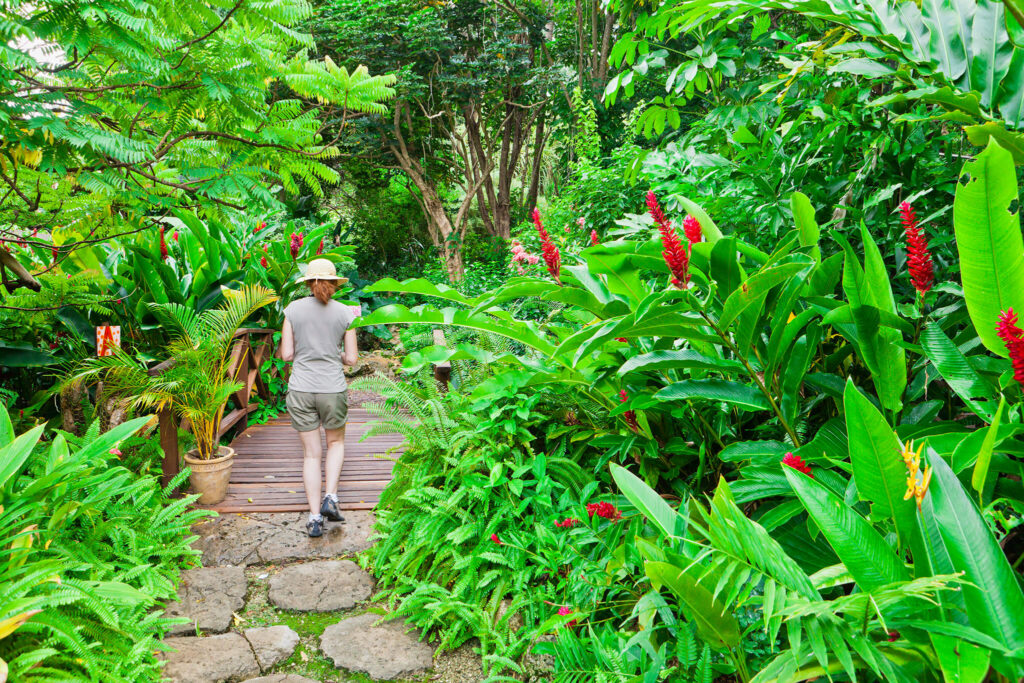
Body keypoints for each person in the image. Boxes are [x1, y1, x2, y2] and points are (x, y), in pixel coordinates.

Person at [279, 258, 358, 537]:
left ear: (308, 282)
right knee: (335, 443)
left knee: (311, 455)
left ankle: (314, 519)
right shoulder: (347, 313)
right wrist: (332, 352)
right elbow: (351, 359)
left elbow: (287, 355)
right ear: (335, 283)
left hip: (301, 388)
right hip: (332, 389)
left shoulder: (292, 310)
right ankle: (331, 498)